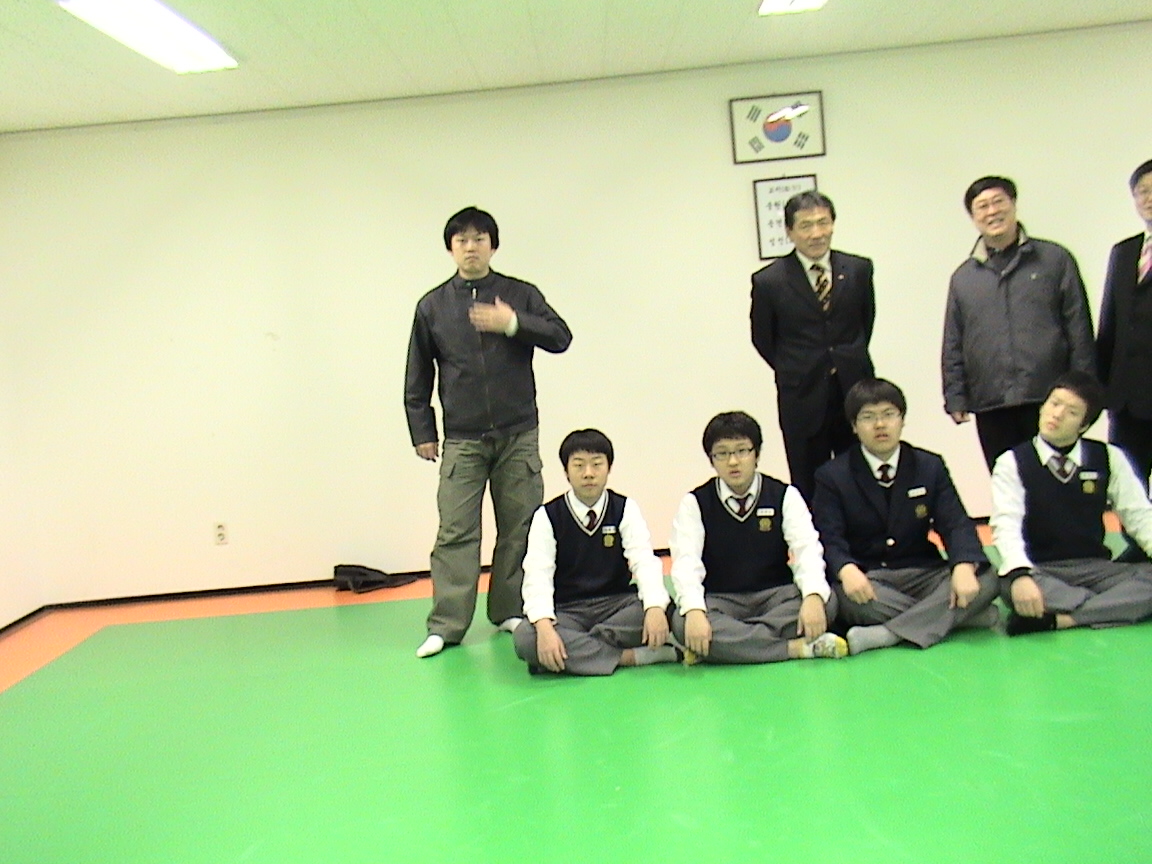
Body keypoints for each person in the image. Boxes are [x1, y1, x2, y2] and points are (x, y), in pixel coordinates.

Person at [404, 206, 573, 658]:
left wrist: (513, 324)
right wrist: (422, 430)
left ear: (493, 246)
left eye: (479, 239)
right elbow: (417, 374)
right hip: (463, 437)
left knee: (520, 526)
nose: (471, 247)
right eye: (461, 240)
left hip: (518, 432)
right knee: (456, 531)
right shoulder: (432, 306)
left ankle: (509, 610)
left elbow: (560, 336)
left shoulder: (519, 294)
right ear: (450, 249)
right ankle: (447, 625)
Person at [812, 378, 999, 655]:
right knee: (844, 599)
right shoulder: (832, 476)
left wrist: (963, 564)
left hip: (924, 573)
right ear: (853, 426)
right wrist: (846, 569)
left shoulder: (929, 465)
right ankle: (961, 617)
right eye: (868, 417)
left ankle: (887, 634)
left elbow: (955, 523)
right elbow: (829, 536)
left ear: (902, 420)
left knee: (988, 578)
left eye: (889, 414)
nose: (880, 425)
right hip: (871, 577)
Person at [942, 176, 1096, 471]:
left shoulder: (1054, 260)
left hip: (1050, 397)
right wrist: (955, 396)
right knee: (1005, 481)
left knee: (1055, 481)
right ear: (973, 217)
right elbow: (954, 340)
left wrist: (1084, 388)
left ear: (1013, 204)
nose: (992, 211)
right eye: (982, 206)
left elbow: (1078, 326)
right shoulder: (964, 277)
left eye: (998, 202)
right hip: (991, 400)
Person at [669, 410, 847, 664]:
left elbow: (807, 549)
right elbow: (686, 563)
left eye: (742, 451)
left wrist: (812, 597)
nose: (733, 461)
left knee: (827, 602)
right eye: (722, 453)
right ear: (711, 460)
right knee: (682, 621)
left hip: (776, 598)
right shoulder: (694, 503)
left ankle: (730, 646)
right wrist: (695, 611)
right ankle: (796, 648)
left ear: (757, 454)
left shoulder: (784, 495)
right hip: (721, 601)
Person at [990, 371, 1152, 636]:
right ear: (1042, 406)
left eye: (1072, 412)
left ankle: (1062, 619)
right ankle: (1109, 607)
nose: (1057, 414)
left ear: (1084, 426)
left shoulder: (1108, 457)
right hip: (1041, 570)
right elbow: (1006, 524)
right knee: (1010, 586)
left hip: (1096, 568)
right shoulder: (1011, 462)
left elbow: (1140, 515)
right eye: (1054, 403)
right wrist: (1020, 574)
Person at [513, 429, 678, 675]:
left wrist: (654, 607)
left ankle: (571, 654)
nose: (588, 473)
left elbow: (643, 560)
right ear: (566, 471)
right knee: (526, 636)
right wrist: (545, 628)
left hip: (617, 606)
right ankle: (631, 657)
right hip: (567, 610)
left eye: (597, 464)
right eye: (579, 465)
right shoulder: (547, 516)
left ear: (608, 468)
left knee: (666, 610)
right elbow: (537, 574)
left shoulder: (624, 508)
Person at [750, 191, 876, 502]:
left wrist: (844, 359)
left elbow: (865, 322)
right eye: (806, 226)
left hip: (854, 389)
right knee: (808, 479)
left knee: (862, 473)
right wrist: (797, 366)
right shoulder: (769, 281)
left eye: (823, 223)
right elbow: (763, 338)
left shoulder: (858, 269)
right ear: (789, 232)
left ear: (833, 224)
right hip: (802, 395)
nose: (816, 233)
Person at [1097, 159, 1152, 489]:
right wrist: (1101, 386)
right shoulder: (1123, 252)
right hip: (1126, 399)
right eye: (1141, 192)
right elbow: (1109, 324)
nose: (1148, 198)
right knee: (1127, 488)